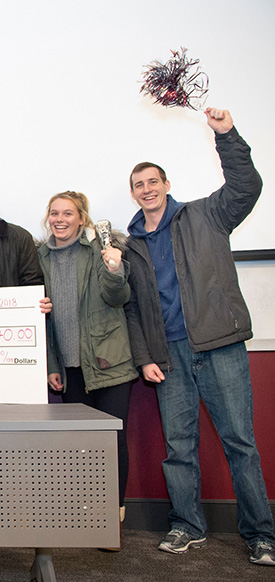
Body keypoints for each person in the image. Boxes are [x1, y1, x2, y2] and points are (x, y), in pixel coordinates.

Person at [123, 107, 275, 566]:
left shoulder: (206, 215)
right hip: (168, 357)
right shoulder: (130, 246)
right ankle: (187, 525)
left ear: (166, 185)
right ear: (133, 193)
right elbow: (132, 307)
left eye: (153, 181)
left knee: (240, 443)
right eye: (138, 184)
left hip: (218, 345)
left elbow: (247, 187)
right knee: (179, 447)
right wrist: (146, 354)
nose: (146, 189)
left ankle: (260, 534)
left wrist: (226, 134)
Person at [38, 191, 137, 549]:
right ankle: (86, 518)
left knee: (111, 442)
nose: (60, 219)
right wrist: (52, 365)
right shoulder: (40, 257)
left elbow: (118, 297)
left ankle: (111, 522)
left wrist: (114, 269)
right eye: (54, 213)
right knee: (81, 446)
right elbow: (41, 320)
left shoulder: (97, 251)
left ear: (82, 218)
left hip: (109, 362)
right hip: (70, 368)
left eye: (68, 213)